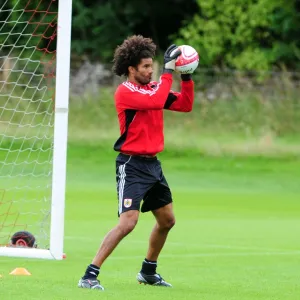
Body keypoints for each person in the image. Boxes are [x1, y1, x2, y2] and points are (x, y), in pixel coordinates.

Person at [78, 35, 195, 291]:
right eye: (145, 67)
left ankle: (148, 272)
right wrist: (168, 71)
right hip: (131, 165)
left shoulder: (155, 88)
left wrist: (186, 76)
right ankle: (89, 274)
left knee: (167, 221)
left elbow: (185, 105)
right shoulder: (125, 92)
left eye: (152, 66)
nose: (150, 70)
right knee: (128, 222)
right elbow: (155, 102)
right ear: (131, 69)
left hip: (153, 165)